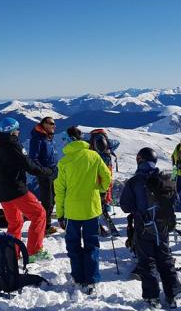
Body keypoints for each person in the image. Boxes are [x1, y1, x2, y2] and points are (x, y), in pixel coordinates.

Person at [0, 117, 54, 263]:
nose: (18, 132)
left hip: (3, 193)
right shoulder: (13, 146)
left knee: (15, 223)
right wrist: (47, 172)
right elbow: (29, 165)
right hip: (16, 190)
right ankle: (34, 251)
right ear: (12, 131)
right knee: (39, 214)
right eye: (17, 129)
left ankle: (13, 254)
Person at [120, 147, 181, 309]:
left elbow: (125, 206)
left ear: (139, 160)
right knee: (165, 257)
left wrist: (138, 208)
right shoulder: (165, 179)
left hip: (144, 226)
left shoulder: (135, 181)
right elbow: (176, 199)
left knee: (147, 261)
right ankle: (173, 293)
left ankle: (152, 296)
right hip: (162, 226)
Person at [54, 126, 112, 294]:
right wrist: (100, 189)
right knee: (92, 244)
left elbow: (60, 190)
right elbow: (106, 176)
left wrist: (60, 214)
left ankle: (78, 277)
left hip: (72, 211)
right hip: (92, 208)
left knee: (73, 245)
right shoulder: (93, 156)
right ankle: (92, 279)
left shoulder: (64, 161)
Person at [29, 116, 58, 235]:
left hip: (52, 171)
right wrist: (43, 170)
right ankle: (46, 226)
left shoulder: (47, 137)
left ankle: (47, 217)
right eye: (51, 123)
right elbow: (33, 158)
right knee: (47, 200)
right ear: (44, 124)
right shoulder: (38, 139)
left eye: (54, 124)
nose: (54, 126)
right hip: (45, 173)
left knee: (54, 197)